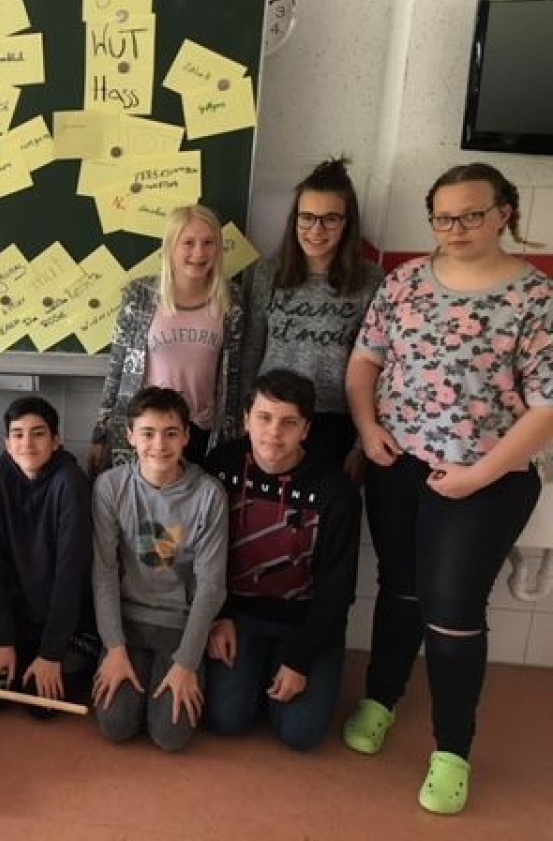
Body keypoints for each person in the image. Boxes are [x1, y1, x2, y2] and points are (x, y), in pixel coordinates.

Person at [341, 163, 553, 815]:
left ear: (504, 213)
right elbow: (365, 361)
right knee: (400, 588)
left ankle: (452, 749)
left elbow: (548, 406)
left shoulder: (536, 298)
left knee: (453, 611)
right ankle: (382, 696)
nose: (455, 228)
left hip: (487, 480)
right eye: (442, 217)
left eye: (470, 214)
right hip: (397, 464)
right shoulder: (404, 282)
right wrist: (367, 428)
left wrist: (478, 475)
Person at [203, 369, 361, 750]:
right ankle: (254, 672)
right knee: (225, 719)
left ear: (306, 429)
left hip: (304, 620)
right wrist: (218, 615)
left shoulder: (335, 490)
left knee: (300, 734)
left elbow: (338, 588)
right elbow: (201, 552)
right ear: (246, 420)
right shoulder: (220, 465)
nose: (274, 432)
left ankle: (279, 667)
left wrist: (299, 660)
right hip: (239, 616)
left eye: (289, 423)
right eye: (264, 418)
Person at [92, 386, 227, 752]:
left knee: (171, 735)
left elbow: (211, 585)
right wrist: (114, 648)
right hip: (128, 620)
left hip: (179, 624)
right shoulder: (110, 487)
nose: (159, 445)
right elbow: (104, 574)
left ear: (186, 437)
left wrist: (186, 663)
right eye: (148, 433)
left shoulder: (209, 495)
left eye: (170, 433)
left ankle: (172, 673)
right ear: (130, 436)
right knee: (116, 725)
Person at [239, 158, 384, 473]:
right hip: (270, 419)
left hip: (335, 422)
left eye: (330, 219)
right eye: (307, 217)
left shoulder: (371, 281)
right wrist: (243, 418)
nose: (316, 230)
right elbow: (250, 351)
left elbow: (375, 365)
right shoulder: (266, 274)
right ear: (294, 219)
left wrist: (361, 441)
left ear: (347, 223)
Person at [91, 204, 243, 472]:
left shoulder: (231, 299)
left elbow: (235, 374)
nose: (199, 253)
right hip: (148, 430)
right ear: (171, 247)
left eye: (208, 243)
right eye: (188, 243)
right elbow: (117, 366)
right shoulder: (140, 295)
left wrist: (234, 432)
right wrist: (101, 432)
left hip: (199, 430)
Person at [0, 396, 96, 713]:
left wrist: (51, 653)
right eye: (18, 434)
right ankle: (17, 652)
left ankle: (52, 657)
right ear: (6, 443)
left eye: (38, 433)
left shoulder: (71, 482)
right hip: (19, 618)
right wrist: (3, 641)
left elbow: (71, 575)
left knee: (41, 704)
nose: (27, 443)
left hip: (67, 622)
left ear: (56, 440)